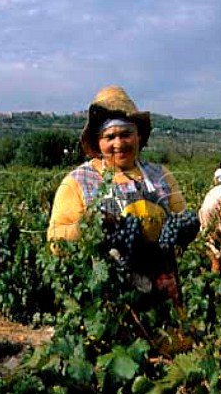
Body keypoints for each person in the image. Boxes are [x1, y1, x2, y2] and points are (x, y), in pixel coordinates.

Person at [47, 85, 196, 304]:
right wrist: (88, 227)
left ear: (138, 136)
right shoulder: (77, 182)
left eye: (126, 134)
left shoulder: (160, 175)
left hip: (164, 292)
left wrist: (187, 227)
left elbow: (180, 217)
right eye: (110, 137)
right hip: (107, 298)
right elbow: (55, 240)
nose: (119, 144)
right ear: (99, 141)